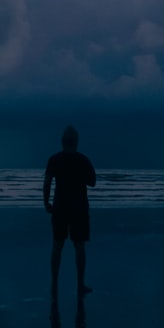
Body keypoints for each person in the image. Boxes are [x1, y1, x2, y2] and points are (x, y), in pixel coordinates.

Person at [43, 125, 96, 295]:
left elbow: (47, 183)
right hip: (79, 207)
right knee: (79, 245)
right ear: (77, 142)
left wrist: (46, 202)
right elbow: (92, 182)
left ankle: (54, 283)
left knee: (57, 245)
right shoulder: (83, 160)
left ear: (62, 141)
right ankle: (80, 284)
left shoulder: (54, 159)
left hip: (60, 206)